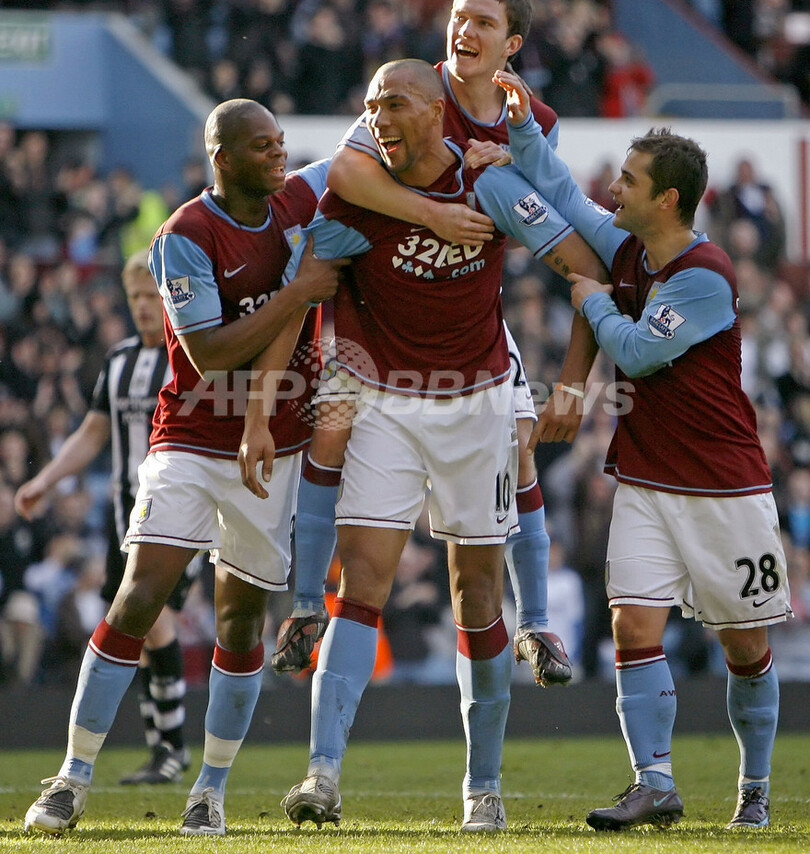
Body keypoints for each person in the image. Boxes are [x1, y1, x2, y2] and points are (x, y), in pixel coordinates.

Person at [240, 58, 608, 832]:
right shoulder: (353, 196)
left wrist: (573, 380)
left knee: (476, 594)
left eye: (396, 102)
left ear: (439, 112)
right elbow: (302, 291)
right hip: (385, 410)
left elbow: (585, 268)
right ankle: (322, 775)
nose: (378, 117)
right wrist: (260, 407)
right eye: (370, 104)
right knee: (363, 583)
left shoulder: (494, 189)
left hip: (475, 410)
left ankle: (483, 787)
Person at [23, 98, 348, 837]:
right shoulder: (184, 236)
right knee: (140, 593)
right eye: (262, 146)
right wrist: (297, 292)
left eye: (281, 143)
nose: (280, 154)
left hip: (278, 445)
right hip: (192, 441)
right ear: (222, 158)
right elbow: (210, 354)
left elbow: (368, 148)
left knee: (238, 621)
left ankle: (209, 789)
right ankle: (71, 778)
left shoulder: (298, 196)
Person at [273, 0, 593, 689]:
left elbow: (550, 216)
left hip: (467, 321)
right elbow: (349, 177)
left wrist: (504, 178)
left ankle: (537, 622)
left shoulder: (531, 120)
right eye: (458, 16)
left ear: (511, 44)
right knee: (330, 428)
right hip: (378, 306)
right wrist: (439, 211)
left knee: (521, 437)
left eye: (482, 22)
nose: (464, 31)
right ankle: (302, 607)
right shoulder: (412, 91)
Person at [501, 70, 791, 830]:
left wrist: (591, 296)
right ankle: (654, 781)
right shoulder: (624, 247)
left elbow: (633, 353)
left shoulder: (704, 276)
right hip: (645, 480)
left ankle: (754, 789)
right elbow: (562, 194)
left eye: (628, 179)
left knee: (745, 644)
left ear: (667, 198)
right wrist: (523, 125)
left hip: (725, 487)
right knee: (633, 628)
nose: (613, 188)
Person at [15, 251, 198, 785]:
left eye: (153, 297)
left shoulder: (189, 354)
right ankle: (164, 747)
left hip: (178, 514)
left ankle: (171, 749)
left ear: (169, 300)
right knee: (134, 634)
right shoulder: (117, 361)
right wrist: (45, 480)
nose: (144, 306)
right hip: (125, 520)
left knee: (151, 620)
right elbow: (94, 431)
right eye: (137, 297)